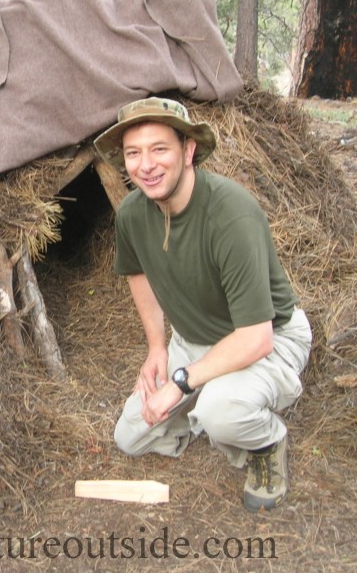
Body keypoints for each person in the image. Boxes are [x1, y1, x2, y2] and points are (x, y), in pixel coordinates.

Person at [93, 97, 312, 512]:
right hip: (194, 340)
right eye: (134, 153)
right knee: (131, 437)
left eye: (160, 149)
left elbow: (256, 336)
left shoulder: (232, 215)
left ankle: (266, 441)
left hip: (268, 336)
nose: (146, 165)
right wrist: (158, 348)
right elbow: (137, 274)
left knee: (221, 412)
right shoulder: (132, 215)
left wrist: (180, 382)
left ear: (188, 150)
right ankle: (207, 403)